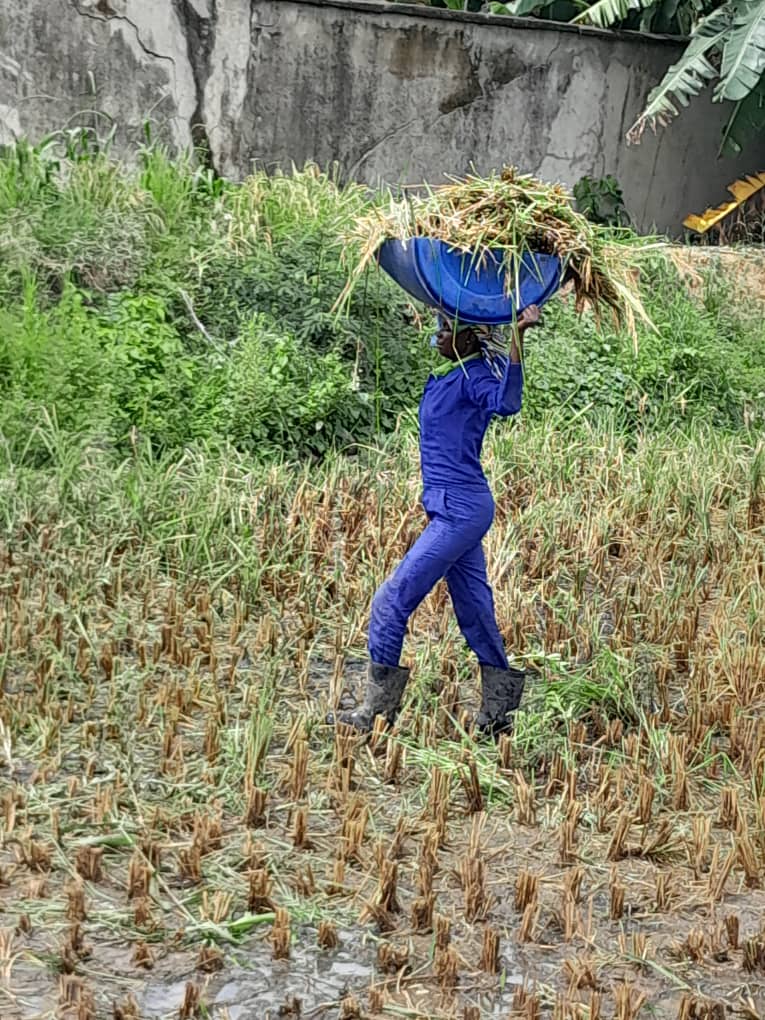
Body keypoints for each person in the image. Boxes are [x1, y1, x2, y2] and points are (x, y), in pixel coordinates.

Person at [336, 304, 541, 738]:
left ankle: (375, 716)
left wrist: (519, 333)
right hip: (453, 506)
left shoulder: (476, 378)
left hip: (461, 510)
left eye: (447, 327)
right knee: (475, 609)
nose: (439, 333)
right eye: (440, 324)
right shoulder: (452, 377)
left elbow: (508, 401)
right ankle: (499, 715)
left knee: (391, 600)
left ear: (469, 339)